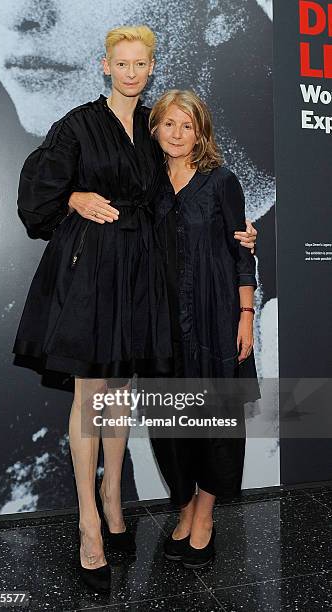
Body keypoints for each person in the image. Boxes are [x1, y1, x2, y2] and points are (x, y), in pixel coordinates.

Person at [12, 26, 257, 591]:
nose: (129, 72)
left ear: (150, 68)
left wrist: (238, 238)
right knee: (90, 398)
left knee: (120, 396)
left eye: (139, 63)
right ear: (105, 65)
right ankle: (90, 526)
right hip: (93, 276)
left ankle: (115, 505)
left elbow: (185, 198)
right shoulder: (77, 124)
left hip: (142, 278)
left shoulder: (152, 132)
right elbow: (36, 191)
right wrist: (72, 195)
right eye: (120, 62)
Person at [148, 89, 260, 568]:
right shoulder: (145, 185)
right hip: (161, 326)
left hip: (216, 321)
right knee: (171, 430)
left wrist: (246, 315)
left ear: (201, 132)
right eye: (168, 124)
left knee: (215, 425)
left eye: (187, 125)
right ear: (154, 129)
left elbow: (242, 252)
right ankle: (186, 507)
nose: (177, 134)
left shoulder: (222, 181)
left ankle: (205, 518)